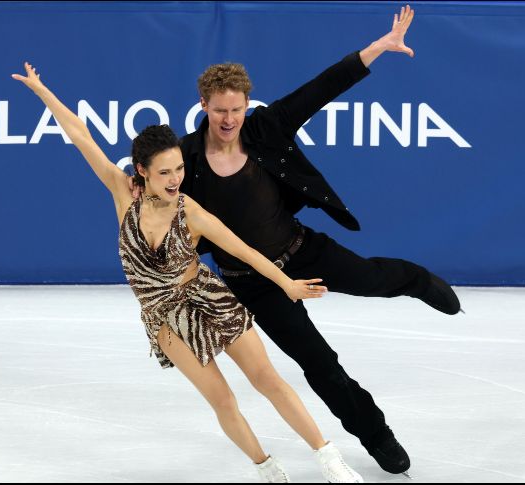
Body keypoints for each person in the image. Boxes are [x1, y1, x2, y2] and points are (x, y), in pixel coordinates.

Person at [12, 62, 365, 483]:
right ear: (141, 170)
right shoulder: (122, 195)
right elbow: (79, 135)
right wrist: (42, 92)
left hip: (208, 296)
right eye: (165, 172)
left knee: (267, 378)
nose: (176, 179)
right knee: (223, 399)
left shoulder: (190, 210)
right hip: (166, 319)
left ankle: (328, 458)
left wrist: (287, 283)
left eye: (179, 169)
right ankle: (267, 468)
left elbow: (245, 250)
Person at [174, 4, 461, 476]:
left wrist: (380, 47)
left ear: (248, 105)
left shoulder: (266, 127)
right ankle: (377, 436)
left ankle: (416, 279)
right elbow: (149, 191)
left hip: (302, 250)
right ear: (203, 105)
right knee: (320, 364)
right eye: (220, 110)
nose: (229, 120)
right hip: (255, 285)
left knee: (374, 279)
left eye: (237, 110)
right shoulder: (185, 157)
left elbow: (323, 87)